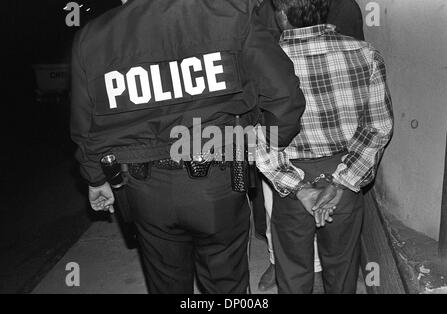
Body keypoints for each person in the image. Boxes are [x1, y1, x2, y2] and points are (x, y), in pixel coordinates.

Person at [71, 0, 305, 294]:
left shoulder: (93, 37)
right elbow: (284, 98)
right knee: (227, 285)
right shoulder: (231, 13)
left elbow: (84, 126)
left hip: (143, 188)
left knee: (166, 282)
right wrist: (266, 139)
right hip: (218, 178)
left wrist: (95, 178)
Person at [256, 0, 394, 294]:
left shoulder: (265, 62)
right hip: (346, 168)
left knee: (292, 266)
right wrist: (342, 182)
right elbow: (377, 127)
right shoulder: (365, 54)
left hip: (291, 172)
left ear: (281, 14)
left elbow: (260, 137)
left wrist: (297, 186)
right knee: (343, 265)